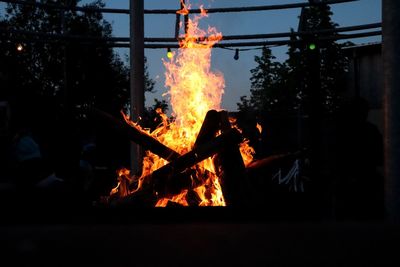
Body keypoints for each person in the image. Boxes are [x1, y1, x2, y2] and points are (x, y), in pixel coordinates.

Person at [334, 97, 383, 220]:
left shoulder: (340, 131)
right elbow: (380, 156)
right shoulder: (371, 130)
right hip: (366, 182)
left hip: (347, 183)